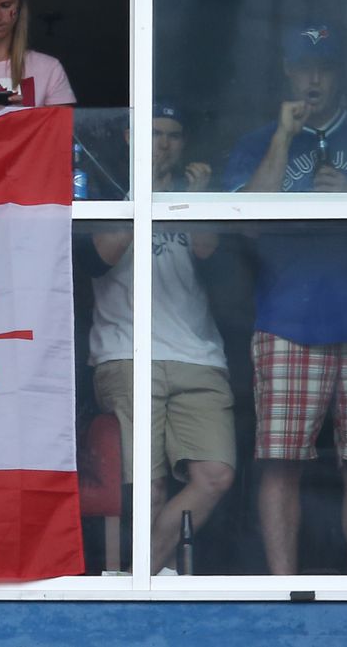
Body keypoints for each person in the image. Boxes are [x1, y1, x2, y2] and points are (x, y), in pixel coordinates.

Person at [222, 23, 347, 576]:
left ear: (340, 76)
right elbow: (243, 222)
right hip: (287, 320)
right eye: (304, 67)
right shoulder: (260, 140)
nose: (314, 78)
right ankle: (281, 587)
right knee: (280, 462)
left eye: (325, 68)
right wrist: (284, 137)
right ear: (287, 72)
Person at [87, 103, 235, 575]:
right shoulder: (109, 190)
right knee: (147, 486)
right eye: (153, 134)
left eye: (173, 135)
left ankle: (142, 577)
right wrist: (142, 190)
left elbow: (209, 249)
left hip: (198, 353)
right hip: (128, 352)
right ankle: (152, 586)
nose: (164, 144)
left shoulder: (193, 191)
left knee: (214, 475)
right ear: (131, 140)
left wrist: (196, 197)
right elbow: (106, 252)